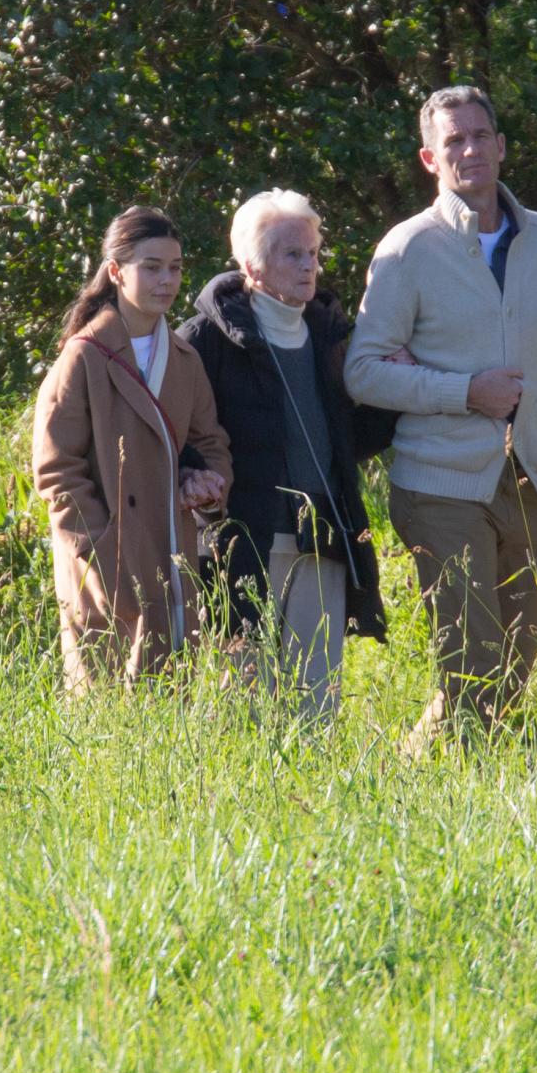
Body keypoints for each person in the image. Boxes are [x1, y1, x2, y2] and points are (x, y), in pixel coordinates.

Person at [344, 85, 537, 754]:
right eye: (454, 141)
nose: (470, 150)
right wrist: (465, 391)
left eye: (481, 136)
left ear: (502, 147)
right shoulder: (406, 249)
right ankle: (455, 791)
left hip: (532, 479)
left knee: (515, 660)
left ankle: (421, 765)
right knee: (471, 660)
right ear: (430, 157)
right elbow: (362, 371)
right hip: (440, 484)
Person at [178, 188, 390, 724]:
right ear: (251, 264)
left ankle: (314, 802)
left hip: (323, 537)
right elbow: (174, 431)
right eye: (291, 254)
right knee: (243, 698)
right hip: (246, 536)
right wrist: (192, 477)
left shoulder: (329, 334)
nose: (308, 266)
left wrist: (395, 393)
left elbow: (348, 439)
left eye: (313, 253)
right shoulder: (205, 338)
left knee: (316, 699)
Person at [33, 205, 232, 691]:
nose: (167, 280)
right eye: (152, 267)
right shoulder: (84, 355)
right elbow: (57, 471)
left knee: (170, 711)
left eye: (176, 267)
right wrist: (99, 553)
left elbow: (211, 445)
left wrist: (206, 484)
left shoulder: (185, 359)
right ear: (117, 272)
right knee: (104, 717)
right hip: (102, 567)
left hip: (171, 550)